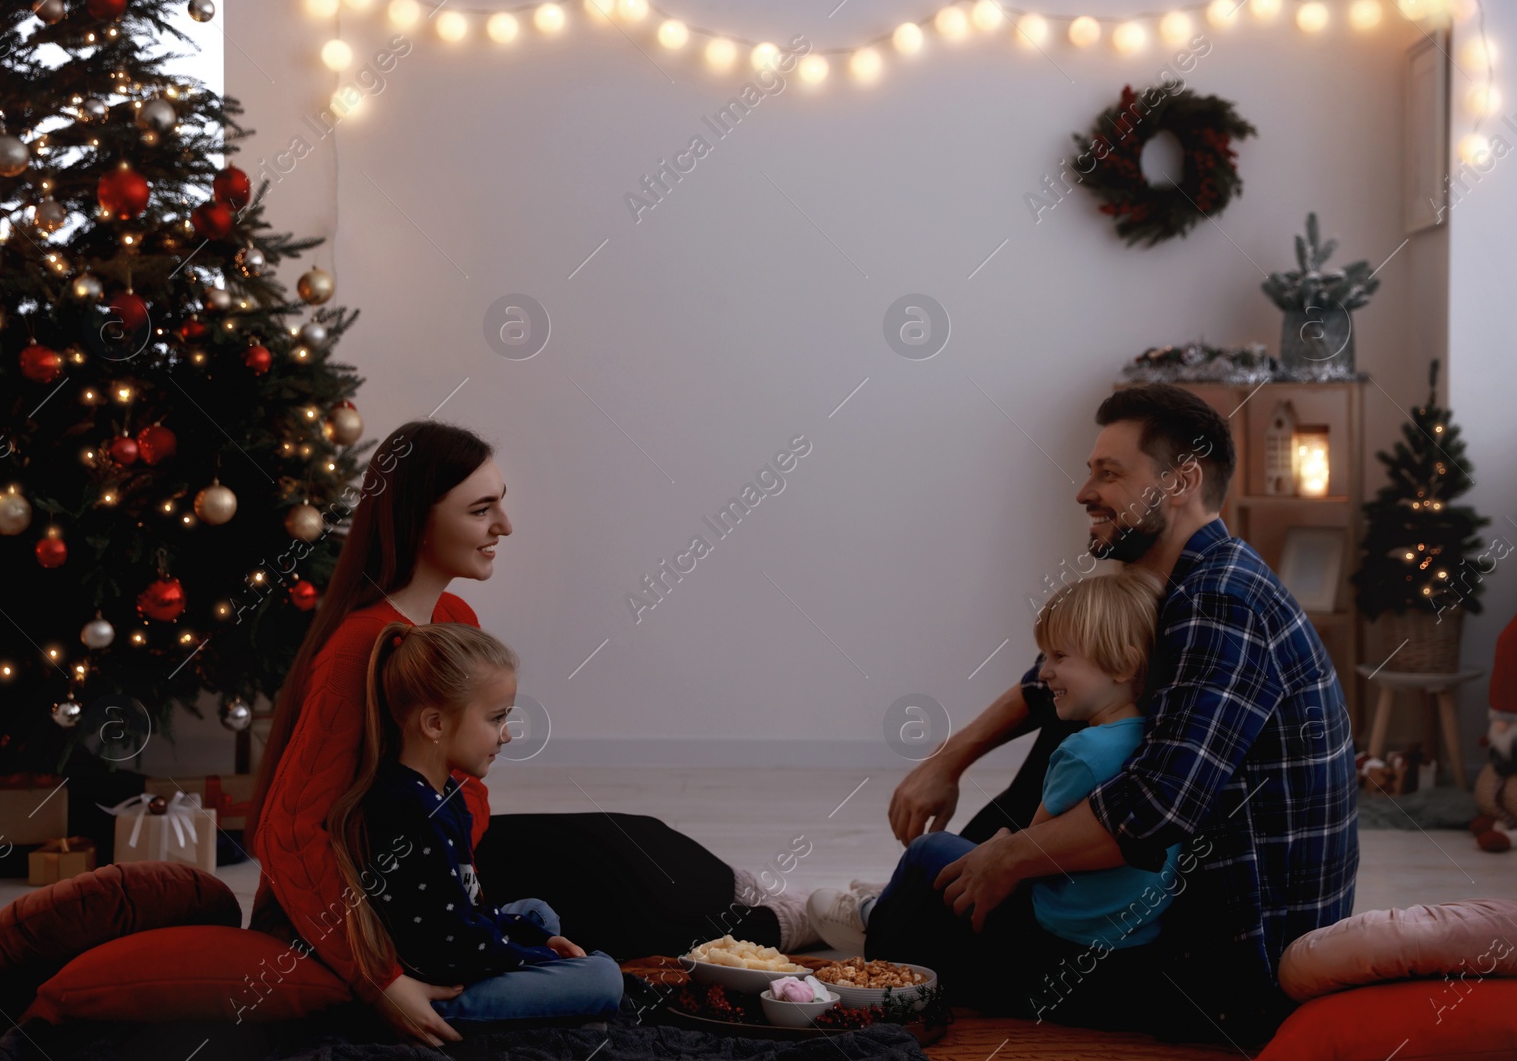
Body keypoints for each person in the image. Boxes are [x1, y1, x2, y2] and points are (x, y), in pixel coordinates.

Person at [245, 420, 814, 1047]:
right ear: (416, 518)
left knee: (621, 838)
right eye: (481, 509)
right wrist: (379, 980)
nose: (505, 526)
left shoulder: (453, 618)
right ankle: (772, 923)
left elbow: (464, 786)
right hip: (373, 903)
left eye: (501, 503)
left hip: (440, 853)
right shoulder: (357, 649)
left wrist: (463, 862)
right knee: (604, 879)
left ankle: (752, 898)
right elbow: (287, 830)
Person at [877, 384, 1358, 1045]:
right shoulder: (1185, 582)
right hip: (1166, 919)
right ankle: (926, 911)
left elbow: (1156, 809)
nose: (1084, 493)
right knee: (1078, 705)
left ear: (1180, 480)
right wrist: (947, 761)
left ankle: (874, 968)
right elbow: (1047, 685)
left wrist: (1006, 859)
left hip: (1219, 979)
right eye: (1089, 472)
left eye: (1109, 473)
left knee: (931, 864)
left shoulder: (1222, 605)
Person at [809, 569, 1181, 978]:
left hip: (1061, 930)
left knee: (929, 850)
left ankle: (879, 928)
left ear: (1124, 665)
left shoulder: (1082, 751)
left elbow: (1032, 850)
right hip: (1130, 936)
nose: (1044, 673)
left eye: (1060, 656)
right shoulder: (1163, 748)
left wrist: (1005, 842)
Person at [329, 620, 623, 1031]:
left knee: (538, 915)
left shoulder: (441, 792)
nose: (506, 735)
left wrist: (534, 939)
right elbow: (451, 943)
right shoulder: (409, 810)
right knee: (604, 978)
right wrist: (542, 958)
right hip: (440, 984)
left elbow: (465, 910)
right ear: (435, 724)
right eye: (496, 718)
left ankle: (548, 985)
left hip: (455, 945)